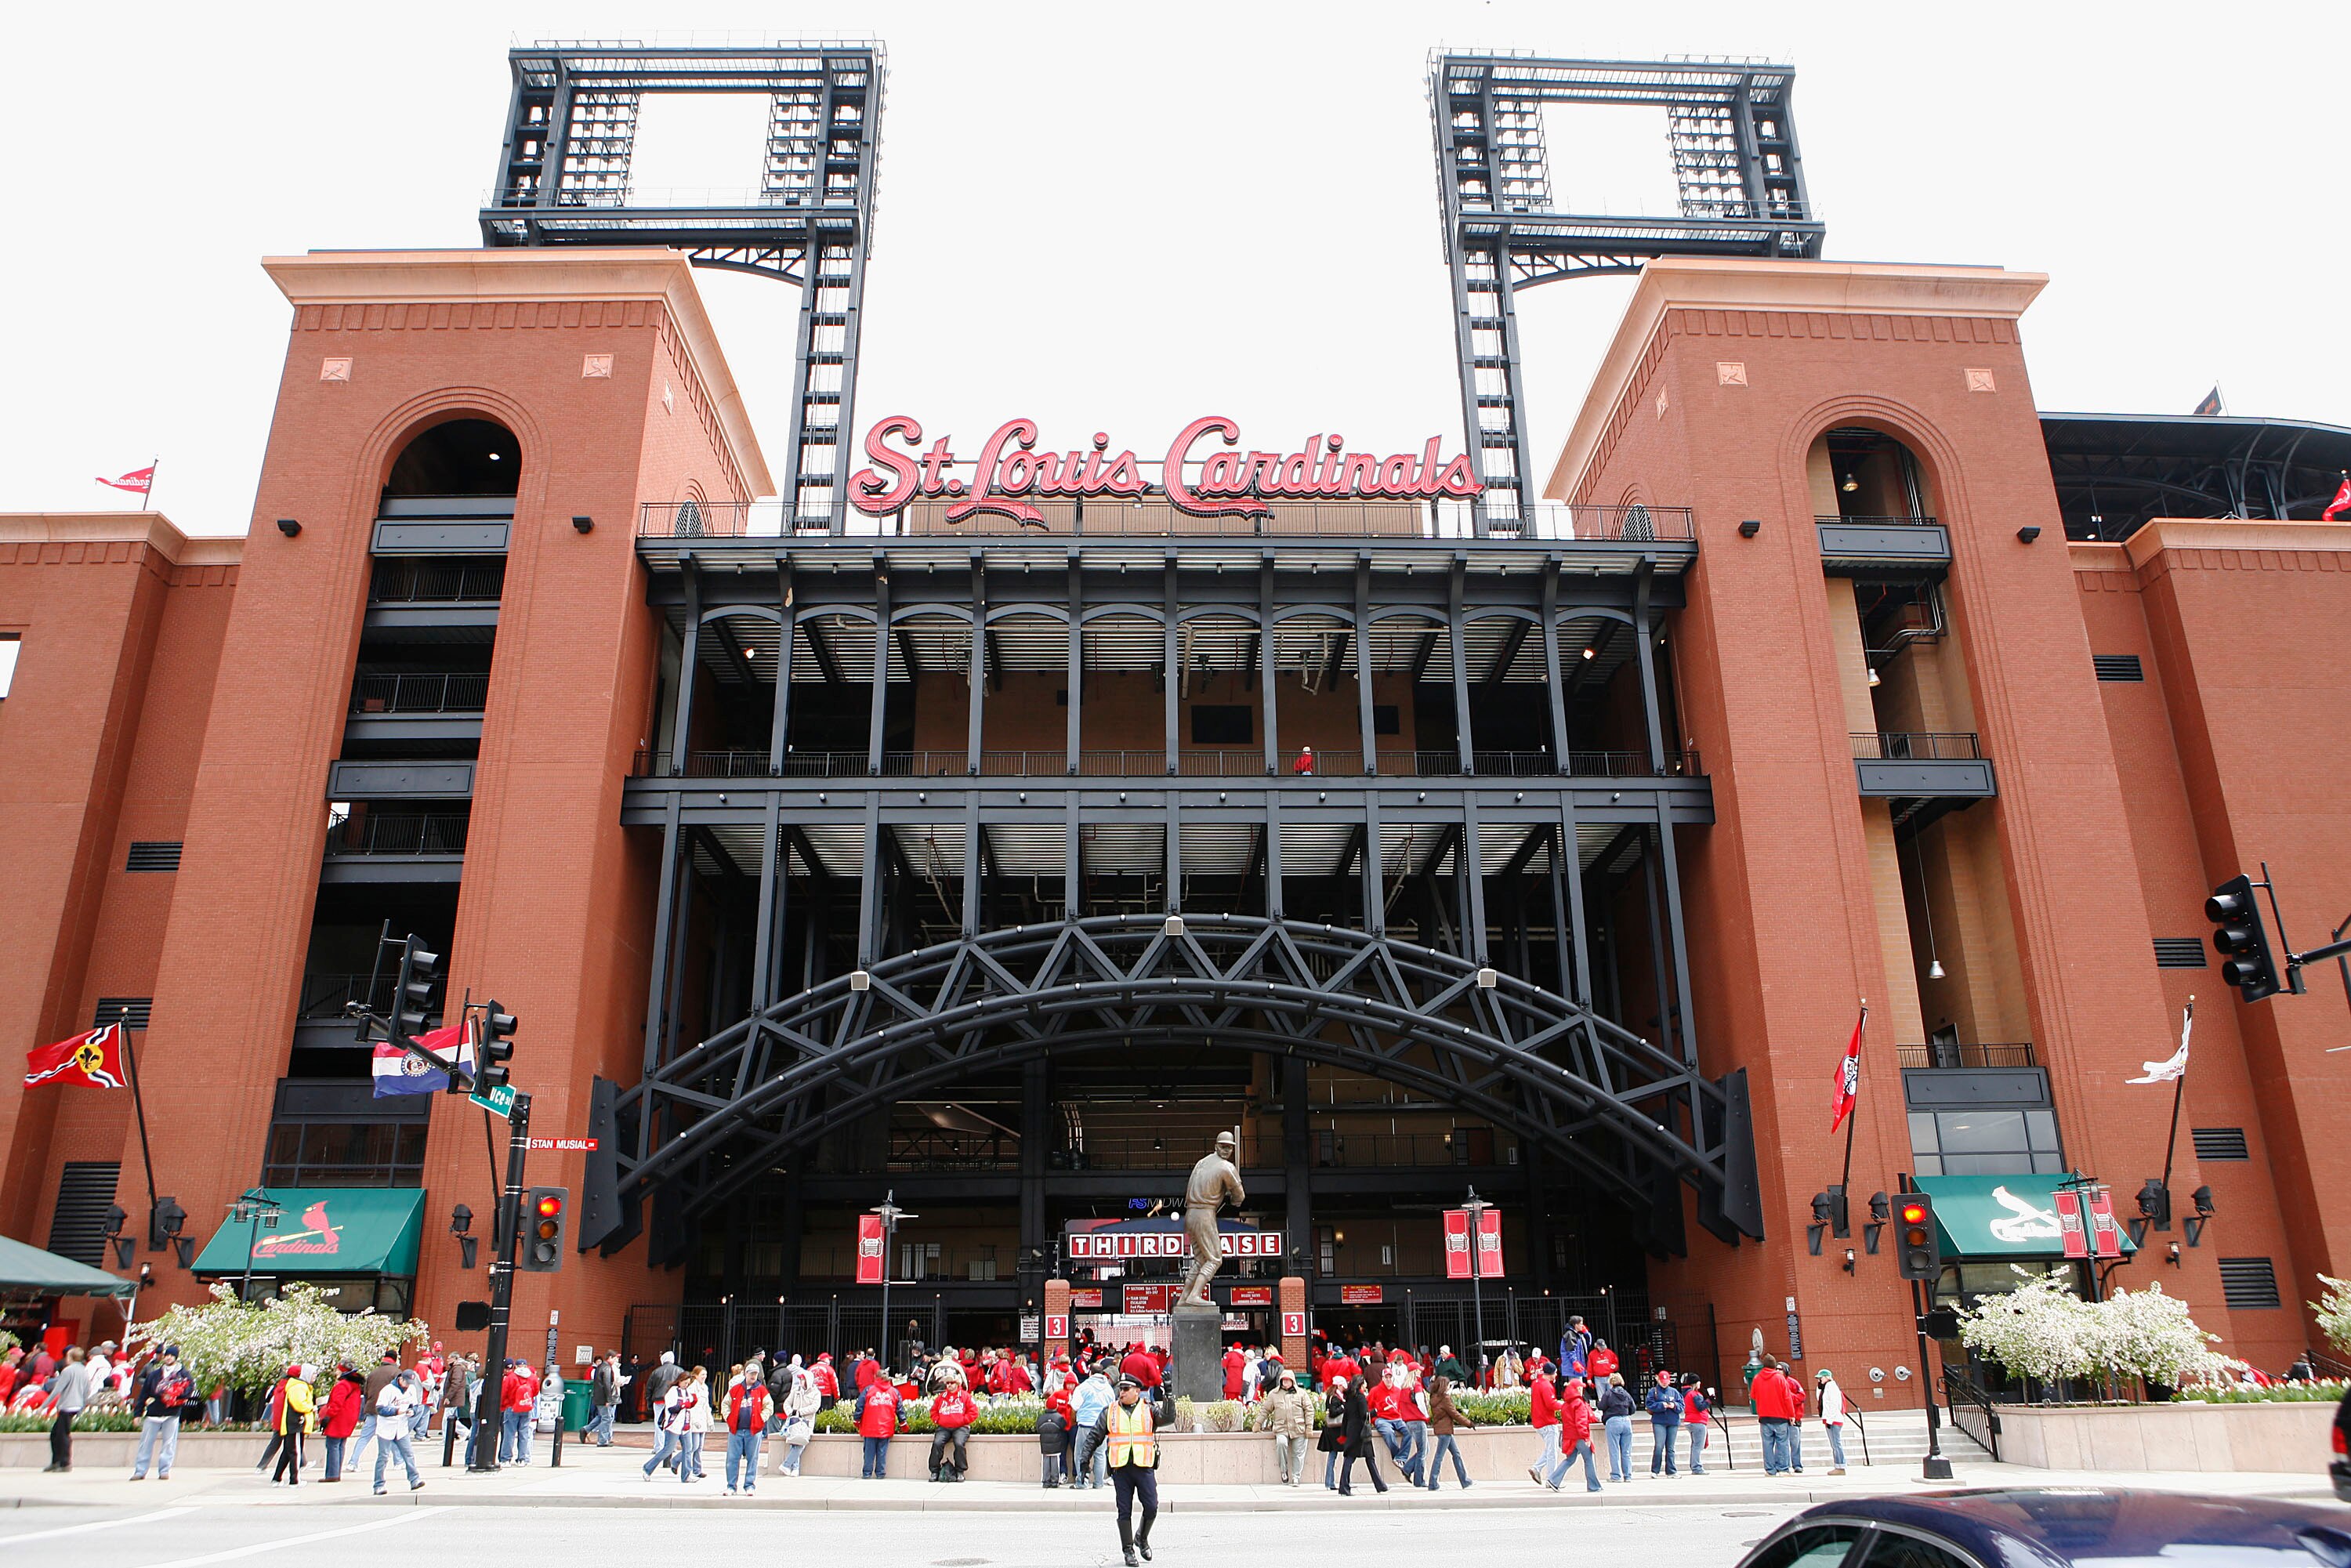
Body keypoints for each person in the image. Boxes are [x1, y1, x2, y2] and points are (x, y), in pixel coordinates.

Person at [1092, 1374, 1163, 1566]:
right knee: (1124, 1510)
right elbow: (1095, 1434)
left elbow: (1166, 1419)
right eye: (1120, 1389)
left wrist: (1170, 1395)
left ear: (1136, 1391)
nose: (1121, 1393)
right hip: (1121, 1468)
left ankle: (1141, 1538)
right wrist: (1083, 1460)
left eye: (1125, 1389)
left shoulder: (1148, 1408)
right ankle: (1128, 1551)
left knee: (1152, 1506)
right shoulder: (1111, 1411)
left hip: (1143, 1466)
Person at [129, 1345, 194, 1481]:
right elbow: (143, 1394)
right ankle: (140, 1470)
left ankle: (164, 1470)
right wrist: (137, 1413)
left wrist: (178, 1396)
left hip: (172, 1412)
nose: (169, 1358)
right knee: (146, 1442)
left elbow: (189, 1389)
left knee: (169, 1443)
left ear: (176, 1358)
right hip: (154, 1412)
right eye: (167, 1355)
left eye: (171, 1355)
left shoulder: (183, 1374)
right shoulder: (154, 1375)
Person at [1544, 1374, 1603, 1492]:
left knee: (1570, 1460)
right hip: (1579, 1436)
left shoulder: (1566, 1404)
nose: (1582, 1390)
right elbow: (1581, 1422)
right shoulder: (1579, 1403)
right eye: (1580, 1388)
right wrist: (1586, 1437)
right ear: (1577, 1389)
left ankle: (1553, 1480)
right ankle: (1593, 1486)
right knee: (1588, 1459)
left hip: (1569, 1436)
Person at [371, 1370, 424, 1495]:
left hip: (402, 1428)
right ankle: (379, 1485)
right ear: (400, 1379)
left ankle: (414, 1479)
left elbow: (414, 1405)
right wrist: (396, 1411)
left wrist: (413, 1411)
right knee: (383, 1457)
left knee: (408, 1454)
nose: (407, 1385)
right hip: (386, 1427)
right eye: (406, 1382)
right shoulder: (388, 1390)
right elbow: (380, 1409)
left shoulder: (411, 1389)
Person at [1336, 1371, 1387, 1496]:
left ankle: (1345, 1487)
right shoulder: (1361, 1398)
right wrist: (1376, 1411)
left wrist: (1344, 1434)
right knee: (1369, 1459)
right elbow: (1365, 1415)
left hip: (1352, 1432)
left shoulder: (1349, 1398)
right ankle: (1379, 1486)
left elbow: (1346, 1418)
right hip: (1362, 1434)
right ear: (1360, 1385)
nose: (1366, 1386)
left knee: (1351, 1459)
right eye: (1364, 1384)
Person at [1260, 1366, 1312, 1484]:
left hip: (1298, 1428)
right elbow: (1265, 1409)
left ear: (1293, 1381)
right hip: (1281, 1428)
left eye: (1288, 1380)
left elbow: (1309, 1410)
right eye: (1284, 1380)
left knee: (1298, 1454)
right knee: (1281, 1444)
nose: (1286, 1382)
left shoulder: (1301, 1394)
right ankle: (1283, 1472)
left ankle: (1296, 1477)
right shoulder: (1274, 1394)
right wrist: (1258, 1423)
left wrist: (1309, 1427)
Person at [42, 1345, 89, 1473]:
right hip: (76, 1405)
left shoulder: (68, 1371)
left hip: (67, 1405)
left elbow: (57, 1389)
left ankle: (64, 1462)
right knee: (56, 1433)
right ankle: (57, 1461)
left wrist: (44, 1405)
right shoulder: (84, 1370)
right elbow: (86, 1390)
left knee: (62, 1435)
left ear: (70, 1357)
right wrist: (83, 1405)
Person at [1070, 1360, 1115, 1488]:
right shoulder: (1109, 1389)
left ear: (1090, 1373)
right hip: (1102, 1426)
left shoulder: (1083, 1387)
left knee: (1081, 1454)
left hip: (1086, 1424)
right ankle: (1099, 1483)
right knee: (1100, 1455)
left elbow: (1075, 1406)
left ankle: (1082, 1482)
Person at [1424, 1374, 1473, 1490]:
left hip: (1441, 1430)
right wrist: (1469, 1423)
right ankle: (1433, 1483)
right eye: (1447, 1385)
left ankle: (1465, 1480)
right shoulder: (1445, 1398)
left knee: (1456, 1454)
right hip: (1445, 1431)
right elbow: (1454, 1414)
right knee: (1439, 1457)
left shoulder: (1434, 1397)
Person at [1751, 1355, 1798, 1476]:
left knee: (1767, 1444)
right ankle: (1783, 1468)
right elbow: (1787, 1398)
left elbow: (1753, 1396)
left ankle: (1770, 1470)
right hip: (1780, 1416)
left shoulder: (1757, 1378)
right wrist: (1792, 1415)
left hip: (1764, 1417)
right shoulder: (1780, 1378)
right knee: (1782, 1443)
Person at [272, 1363, 317, 1485]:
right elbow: (299, 1404)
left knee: (288, 1451)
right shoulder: (299, 1387)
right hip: (295, 1423)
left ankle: (277, 1478)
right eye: (314, 1374)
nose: (315, 1377)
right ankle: (295, 1480)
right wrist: (311, 1407)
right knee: (295, 1452)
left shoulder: (300, 1386)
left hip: (294, 1423)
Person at [319, 1367, 365, 1482]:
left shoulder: (343, 1385)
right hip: (349, 1418)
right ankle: (336, 1473)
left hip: (338, 1419)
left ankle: (332, 1474)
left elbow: (336, 1403)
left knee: (333, 1445)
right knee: (340, 1445)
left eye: (338, 1370)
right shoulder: (355, 1386)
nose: (336, 1372)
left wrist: (328, 1416)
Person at [930, 1369, 976, 1482]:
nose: (949, 1385)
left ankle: (960, 1471)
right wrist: (938, 1421)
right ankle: (934, 1471)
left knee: (959, 1444)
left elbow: (974, 1412)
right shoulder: (941, 1397)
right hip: (944, 1427)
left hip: (961, 1427)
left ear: (957, 1384)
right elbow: (933, 1411)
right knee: (937, 1443)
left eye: (952, 1383)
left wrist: (963, 1421)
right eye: (947, 1383)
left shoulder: (965, 1396)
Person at [775, 1362, 819, 1477]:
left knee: (801, 1442)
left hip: (807, 1422)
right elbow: (787, 1403)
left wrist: (801, 1412)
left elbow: (815, 1407)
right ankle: (795, 1468)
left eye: (802, 1380)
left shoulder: (816, 1393)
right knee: (794, 1442)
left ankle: (786, 1465)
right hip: (795, 1421)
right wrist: (791, 1413)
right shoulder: (796, 1391)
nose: (801, 1382)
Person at [857, 1363, 900, 1478]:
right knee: (882, 1451)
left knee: (869, 1452)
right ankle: (880, 1473)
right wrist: (903, 1422)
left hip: (869, 1427)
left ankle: (867, 1473)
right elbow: (900, 1409)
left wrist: (857, 1420)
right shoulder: (894, 1392)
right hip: (886, 1427)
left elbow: (859, 1406)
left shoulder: (868, 1390)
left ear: (876, 1378)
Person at [1598, 1371, 1636, 1483]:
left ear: (1611, 1382)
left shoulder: (1608, 1394)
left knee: (1614, 1450)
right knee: (1626, 1451)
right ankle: (1628, 1475)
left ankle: (1616, 1476)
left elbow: (1601, 1406)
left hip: (1613, 1421)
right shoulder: (1626, 1394)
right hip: (1626, 1421)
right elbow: (1633, 1409)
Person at [1527, 1360, 1559, 1481]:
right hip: (1548, 1422)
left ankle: (1537, 1468)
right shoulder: (1546, 1386)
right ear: (1551, 1373)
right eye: (1555, 1373)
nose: (1556, 1375)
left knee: (1551, 1449)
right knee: (1552, 1453)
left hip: (1538, 1421)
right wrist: (1565, 1406)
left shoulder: (1536, 1383)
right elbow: (1551, 1404)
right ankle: (1552, 1479)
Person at [1317, 1374, 1350, 1489]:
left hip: (1331, 1430)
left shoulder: (1331, 1396)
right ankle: (1333, 1482)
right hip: (1335, 1431)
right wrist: (1343, 1407)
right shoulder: (1336, 1398)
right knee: (1337, 1455)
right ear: (1339, 1386)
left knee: (1333, 1455)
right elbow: (1333, 1411)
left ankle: (1330, 1482)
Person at [680, 1366, 712, 1482]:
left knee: (699, 1447)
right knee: (693, 1447)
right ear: (696, 1376)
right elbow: (691, 1406)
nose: (704, 1377)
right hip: (695, 1420)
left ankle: (697, 1470)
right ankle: (677, 1461)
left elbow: (707, 1405)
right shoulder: (692, 1388)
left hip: (702, 1418)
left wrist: (710, 1419)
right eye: (702, 1374)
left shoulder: (705, 1388)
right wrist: (694, 1420)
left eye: (705, 1374)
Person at [1816, 1368, 1849, 1476]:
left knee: (1836, 1443)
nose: (1819, 1380)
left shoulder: (1832, 1387)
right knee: (1834, 1444)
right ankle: (1838, 1465)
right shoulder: (1826, 1388)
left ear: (1827, 1377)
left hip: (1834, 1420)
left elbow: (1834, 1404)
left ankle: (1840, 1465)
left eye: (1821, 1377)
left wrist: (1830, 1420)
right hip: (1830, 1419)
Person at [1038, 1387, 1071, 1487]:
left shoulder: (1041, 1418)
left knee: (1046, 1462)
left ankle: (1045, 1481)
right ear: (1056, 1406)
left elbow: (1037, 1427)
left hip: (1045, 1446)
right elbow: (1064, 1426)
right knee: (1055, 1462)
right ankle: (1054, 1481)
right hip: (1057, 1445)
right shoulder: (1059, 1418)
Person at [1681, 1374, 1712, 1475]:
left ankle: (1695, 1466)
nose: (1700, 1383)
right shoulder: (1695, 1394)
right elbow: (1700, 1407)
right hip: (1697, 1421)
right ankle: (1697, 1467)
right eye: (1699, 1382)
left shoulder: (1686, 1394)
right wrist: (1709, 1400)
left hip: (1690, 1421)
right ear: (1695, 1383)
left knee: (1695, 1445)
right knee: (1698, 1446)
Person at [591, 1353, 625, 1446]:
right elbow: (607, 1384)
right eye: (614, 1359)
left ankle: (601, 1438)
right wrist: (609, 1399)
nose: (615, 1361)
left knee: (605, 1418)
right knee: (607, 1419)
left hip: (599, 1397)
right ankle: (602, 1440)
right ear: (610, 1358)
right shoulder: (607, 1368)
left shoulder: (600, 1367)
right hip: (604, 1398)